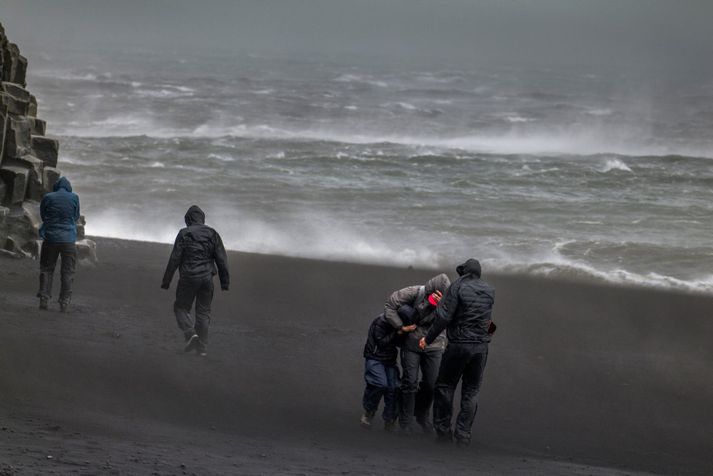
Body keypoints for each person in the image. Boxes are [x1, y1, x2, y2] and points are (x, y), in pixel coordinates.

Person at [419, 258, 495, 446]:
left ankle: (443, 432)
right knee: (471, 391)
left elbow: (444, 318)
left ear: (464, 272)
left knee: (445, 386)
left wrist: (427, 339)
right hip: (481, 348)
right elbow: (488, 323)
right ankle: (463, 434)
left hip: (459, 345)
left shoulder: (457, 287)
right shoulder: (489, 290)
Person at [385, 273, 451, 434]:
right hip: (412, 343)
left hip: (434, 344)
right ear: (430, 290)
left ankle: (421, 414)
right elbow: (390, 305)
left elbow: (463, 316)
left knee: (432, 384)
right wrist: (401, 327)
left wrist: (486, 327)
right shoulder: (417, 292)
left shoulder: (450, 301)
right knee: (409, 382)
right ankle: (405, 421)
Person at [161, 205, 230, 356]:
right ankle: (202, 348)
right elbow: (222, 259)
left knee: (180, 308)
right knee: (203, 312)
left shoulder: (184, 233)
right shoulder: (213, 233)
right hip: (207, 278)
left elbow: (175, 258)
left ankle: (190, 333)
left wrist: (167, 281)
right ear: (202, 218)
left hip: (189, 277)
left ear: (188, 219)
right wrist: (225, 282)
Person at [360, 305, 417, 432]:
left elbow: (399, 343)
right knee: (379, 384)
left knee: (395, 387)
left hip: (389, 359)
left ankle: (390, 419)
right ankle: (369, 411)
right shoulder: (381, 321)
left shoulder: (400, 324)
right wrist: (399, 331)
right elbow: (381, 343)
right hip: (375, 357)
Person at [37, 176, 80, 312]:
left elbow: (43, 215)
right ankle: (64, 302)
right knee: (67, 272)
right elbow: (76, 216)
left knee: (47, 269)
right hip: (69, 240)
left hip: (51, 238)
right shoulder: (74, 197)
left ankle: (44, 298)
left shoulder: (48, 197)